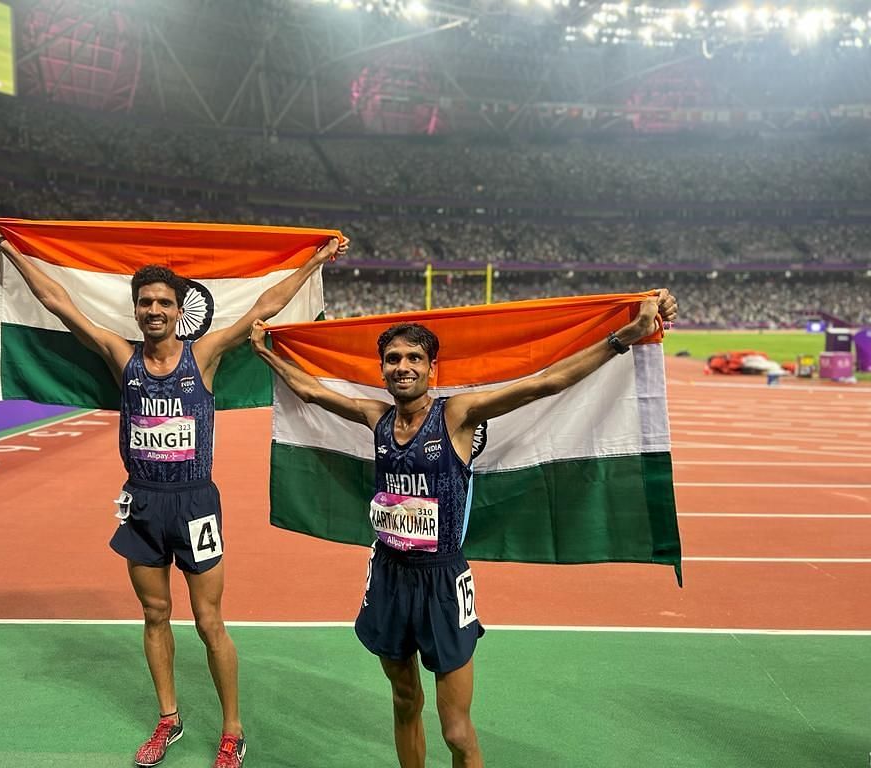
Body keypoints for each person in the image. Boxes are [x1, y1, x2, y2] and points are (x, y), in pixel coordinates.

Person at [0, 213, 345, 768]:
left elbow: (264, 306)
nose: (153, 311)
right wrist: (3, 243)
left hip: (195, 501)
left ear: (179, 310)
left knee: (210, 621)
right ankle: (168, 719)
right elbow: (59, 303)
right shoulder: (122, 358)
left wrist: (314, 260)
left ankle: (232, 730)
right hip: (142, 501)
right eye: (145, 303)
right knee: (154, 613)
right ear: (136, 309)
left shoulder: (206, 355)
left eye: (163, 303)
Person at [250, 290, 678, 768]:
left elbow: (547, 382)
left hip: (441, 581)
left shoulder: (455, 415)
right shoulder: (377, 417)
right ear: (382, 371)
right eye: (392, 359)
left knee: (456, 730)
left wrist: (624, 337)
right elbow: (310, 391)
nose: (403, 366)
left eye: (414, 357)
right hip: (389, 574)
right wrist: (265, 351)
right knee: (404, 702)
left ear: (433, 369)